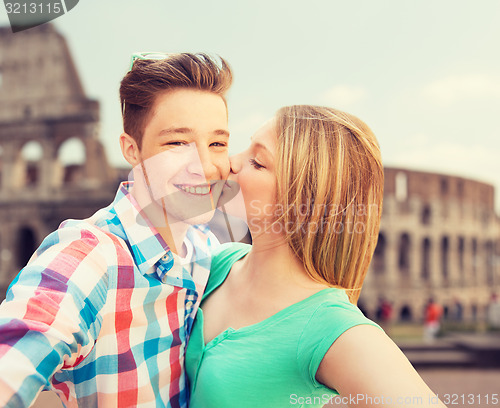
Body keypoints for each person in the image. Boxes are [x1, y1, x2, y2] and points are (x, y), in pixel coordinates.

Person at [0, 53, 233, 408]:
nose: (204, 165)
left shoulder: (205, 250)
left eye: (217, 143)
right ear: (132, 150)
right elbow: (17, 351)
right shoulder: (90, 256)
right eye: (176, 143)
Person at [185, 105, 447, 407]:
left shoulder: (329, 327)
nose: (230, 162)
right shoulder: (218, 262)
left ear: (306, 203)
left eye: (257, 162)